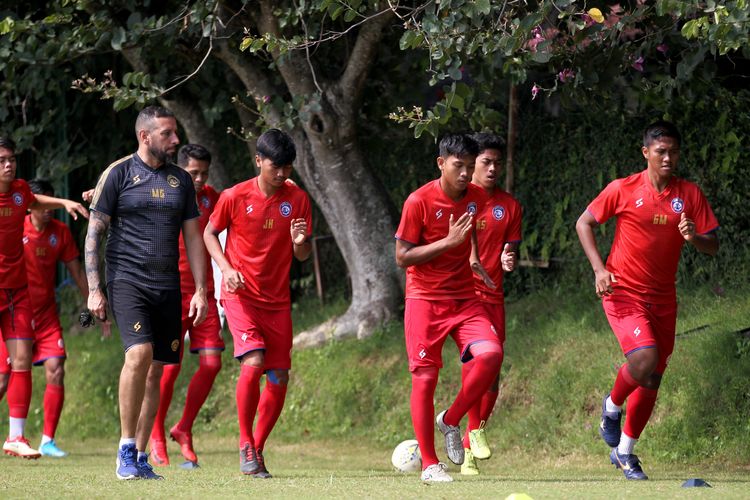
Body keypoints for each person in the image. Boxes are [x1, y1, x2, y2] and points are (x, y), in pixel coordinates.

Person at [576, 120, 719, 480]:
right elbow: (584, 223)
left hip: (663, 298)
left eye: (674, 151)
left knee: (653, 378)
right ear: (646, 153)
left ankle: (625, 453)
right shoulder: (623, 188)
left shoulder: (689, 194)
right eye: (661, 151)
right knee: (644, 358)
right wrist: (598, 270)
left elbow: (712, 245)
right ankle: (611, 406)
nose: (669, 157)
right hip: (622, 291)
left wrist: (693, 238)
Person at [85, 106, 208, 480]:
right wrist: (94, 289)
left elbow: (193, 237)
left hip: (167, 286)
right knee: (138, 354)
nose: (175, 141)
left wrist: (201, 289)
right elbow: (94, 234)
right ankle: (124, 448)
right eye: (168, 134)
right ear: (145, 136)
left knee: (157, 370)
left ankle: (139, 455)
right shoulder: (118, 173)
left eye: (175, 133)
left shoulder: (181, 182)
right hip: (126, 280)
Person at [394, 132, 504, 482]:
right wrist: (448, 242)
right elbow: (402, 257)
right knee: (425, 380)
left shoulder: (475, 196)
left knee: (491, 355)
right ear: (441, 163)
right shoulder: (418, 201)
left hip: (464, 298)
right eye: (459, 166)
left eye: (470, 167)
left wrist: (471, 255)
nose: (465, 174)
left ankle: (451, 420)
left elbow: (466, 228)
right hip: (424, 300)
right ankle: (429, 464)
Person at [203, 128, 312, 478]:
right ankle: (245, 442)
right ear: (259, 161)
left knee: (279, 375)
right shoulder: (235, 196)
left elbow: (303, 254)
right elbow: (208, 232)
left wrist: (299, 241)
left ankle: (258, 449)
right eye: (275, 166)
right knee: (253, 360)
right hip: (241, 295)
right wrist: (225, 267)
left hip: (277, 300)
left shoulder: (297, 200)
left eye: (287, 167)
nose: (282, 173)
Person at [1, 136, 88, 459]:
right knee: (2, 376)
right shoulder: (22, 218)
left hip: (23, 300)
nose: (8, 164)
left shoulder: (24, 193)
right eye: (1, 160)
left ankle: (22, 438)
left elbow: (34, 198)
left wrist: (65, 203)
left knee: (34, 364)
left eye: (11, 158)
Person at [149, 144, 224, 467]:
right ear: (180, 169)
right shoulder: (163, 192)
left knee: (212, 364)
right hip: (170, 291)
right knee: (170, 366)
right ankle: (154, 434)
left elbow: (243, 202)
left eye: (204, 173)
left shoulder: (213, 197)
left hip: (203, 293)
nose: (199, 178)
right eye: (193, 172)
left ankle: (183, 428)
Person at [460, 133, 522, 476]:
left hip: (493, 297)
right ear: (472, 165)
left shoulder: (510, 206)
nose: (493, 168)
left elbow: (508, 250)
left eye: (498, 162)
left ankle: (470, 442)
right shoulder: (458, 199)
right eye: (486, 161)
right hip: (462, 298)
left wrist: (508, 259)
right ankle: (470, 438)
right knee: (477, 367)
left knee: (492, 379)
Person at [23, 179, 89, 458]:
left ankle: (47, 441)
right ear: (29, 205)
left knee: (56, 367)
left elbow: (77, 273)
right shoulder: (13, 228)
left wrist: (92, 308)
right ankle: (16, 434)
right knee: (4, 378)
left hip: (47, 316)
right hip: (16, 315)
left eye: (52, 202)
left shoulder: (60, 233)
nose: (48, 208)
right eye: (42, 203)